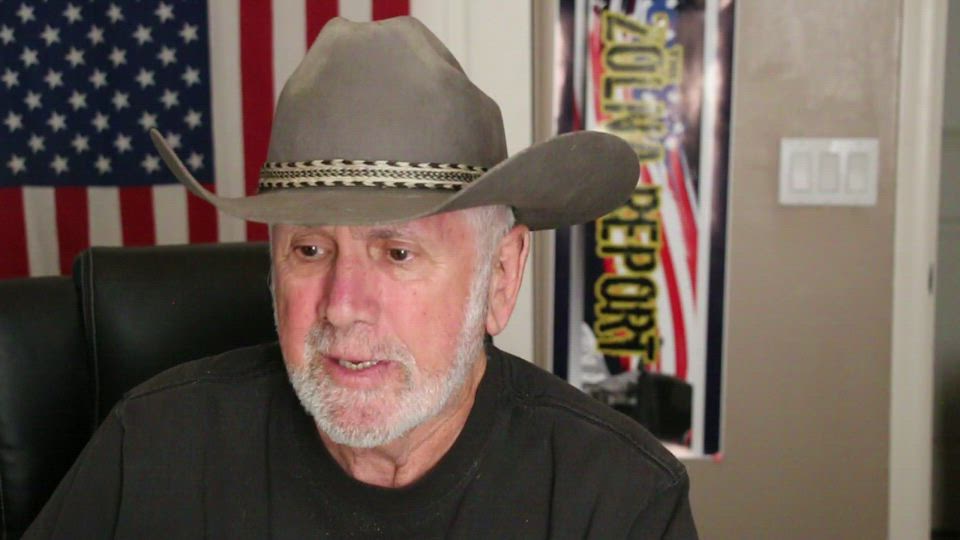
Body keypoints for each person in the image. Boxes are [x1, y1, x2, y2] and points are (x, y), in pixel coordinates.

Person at [25, 17, 697, 539]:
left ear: (500, 275)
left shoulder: (616, 501)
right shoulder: (150, 450)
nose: (342, 306)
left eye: (397, 253)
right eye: (310, 249)